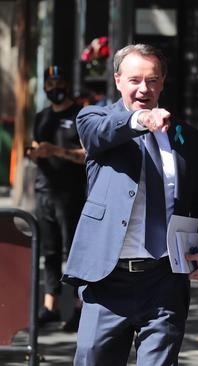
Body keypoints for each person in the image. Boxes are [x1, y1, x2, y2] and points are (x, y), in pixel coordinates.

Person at [62, 44, 198, 365]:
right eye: (135, 80)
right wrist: (140, 120)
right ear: (118, 79)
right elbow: (98, 135)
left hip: (164, 279)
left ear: (162, 83)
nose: (143, 89)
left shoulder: (187, 137)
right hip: (107, 279)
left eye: (152, 80)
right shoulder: (95, 119)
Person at [27, 65, 86, 332]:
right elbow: (34, 148)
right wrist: (35, 153)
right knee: (48, 251)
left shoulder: (80, 116)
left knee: (72, 251)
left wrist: (58, 151)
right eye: (49, 85)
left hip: (70, 194)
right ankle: (49, 305)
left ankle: (77, 305)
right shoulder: (41, 117)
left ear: (67, 84)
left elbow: (88, 155)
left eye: (58, 83)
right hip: (44, 191)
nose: (54, 90)